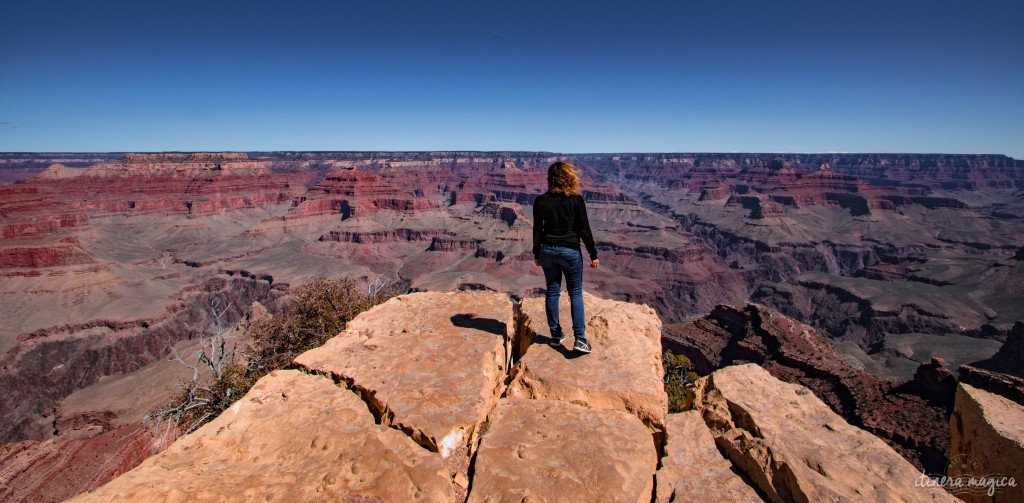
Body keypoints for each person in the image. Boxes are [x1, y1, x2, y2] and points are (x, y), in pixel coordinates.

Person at [533, 161, 599, 354]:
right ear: (569, 177)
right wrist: (593, 253)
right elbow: (584, 229)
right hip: (570, 252)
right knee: (575, 293)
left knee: (552, 292)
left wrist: (536, 252)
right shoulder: (576, 200)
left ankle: (555, 335)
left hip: (547, 250)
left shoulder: (540, 200)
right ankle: (580, 339)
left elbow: (537, 229)